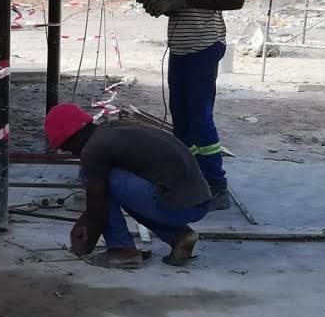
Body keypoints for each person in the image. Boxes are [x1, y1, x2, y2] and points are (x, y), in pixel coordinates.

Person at [132, 0, 245, 208]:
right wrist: (158, 3)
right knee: (181, 119)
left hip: (204, 44)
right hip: (181, 43)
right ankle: (187, 178)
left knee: (198, 118)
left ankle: (215, 185)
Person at [44, 102, 210, 268]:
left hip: (177, 205)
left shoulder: (93, 150)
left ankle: (121, 250)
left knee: (92, 177)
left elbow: (98, 204)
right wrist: (86, 219)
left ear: (74, 136)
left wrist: (86, 242)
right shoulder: (111, 130)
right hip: (198, 202)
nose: (72, 153)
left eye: (67, 147)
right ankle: (179, 236)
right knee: (110, 187)